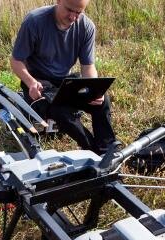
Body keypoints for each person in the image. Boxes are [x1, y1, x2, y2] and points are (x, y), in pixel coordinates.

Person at [10, 0, 116, 154]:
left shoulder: (87, 27)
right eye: (69, 10)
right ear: (58, 1)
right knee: (60, 109)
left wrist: (94, 89)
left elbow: (87, 66)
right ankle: (92, 150)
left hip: (64, 80)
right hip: (38, 81)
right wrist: (30, 82)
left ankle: (107, 146)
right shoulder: (34, 21)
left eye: (79, 12)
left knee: (101, 99)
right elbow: (16, 61)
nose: (73, 17)